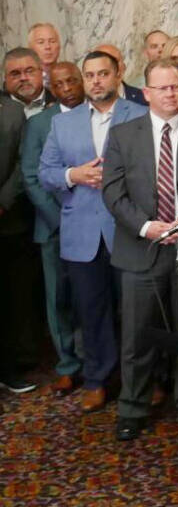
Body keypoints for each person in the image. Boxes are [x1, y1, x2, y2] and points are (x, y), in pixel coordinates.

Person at [101, 59, 178, 441]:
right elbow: (113, 192)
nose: (173, 93)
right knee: (137, 336)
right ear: (147, 93)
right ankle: (132, 408)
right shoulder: (123, 135)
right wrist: (147, 227)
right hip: (140, 249)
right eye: (164, 88)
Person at [39, 52, 149, 412]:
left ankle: (143, 380)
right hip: (82, 232)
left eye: (103, 73)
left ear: (118, 74)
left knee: (136, 312)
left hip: (130, 230)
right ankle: (97, 380)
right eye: (90, 75)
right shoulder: (63, 123)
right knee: (91, 310)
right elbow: (46, 173)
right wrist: (74, 175)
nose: (96, 81)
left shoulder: (141, 115)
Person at [20, 61, 85, 397]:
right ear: (51, 87)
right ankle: (68, 366)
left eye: (73, 81)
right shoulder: (39, 123)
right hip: (55, 226)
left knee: (93, 297)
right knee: (58, 299)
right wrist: (61, 219)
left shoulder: (95, 116)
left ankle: (96, 362)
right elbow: (31, 176)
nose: (67, 88)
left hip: (94, 226)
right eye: (59, 84)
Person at [0, 93, 39, 395]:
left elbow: (22, 163)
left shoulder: (13, 111)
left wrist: (2, 202)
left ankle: (7, 370)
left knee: (10, 301)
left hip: (8, 221)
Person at [5, 47, 53, 116]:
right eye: (15, 74)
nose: (23, 78)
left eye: (29, 71)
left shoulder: (60, 102)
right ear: (5, 78)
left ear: (41, 72)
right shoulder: (2, 106)